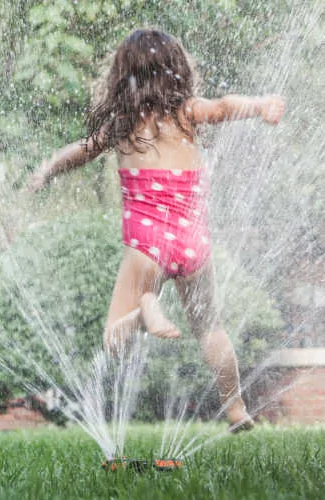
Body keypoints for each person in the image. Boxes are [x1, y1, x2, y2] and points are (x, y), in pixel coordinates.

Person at [28, 29, 285, 431]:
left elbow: (79, 151)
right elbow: (222, 107)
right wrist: (260, 106)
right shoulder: (187, 113)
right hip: (192, 242)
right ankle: (236, 411)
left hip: (147, 245)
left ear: (121, 76)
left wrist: (47, 170)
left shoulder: (122, 125)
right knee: (211, 329)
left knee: (115, 338)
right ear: (176, 70)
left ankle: (143, 313)